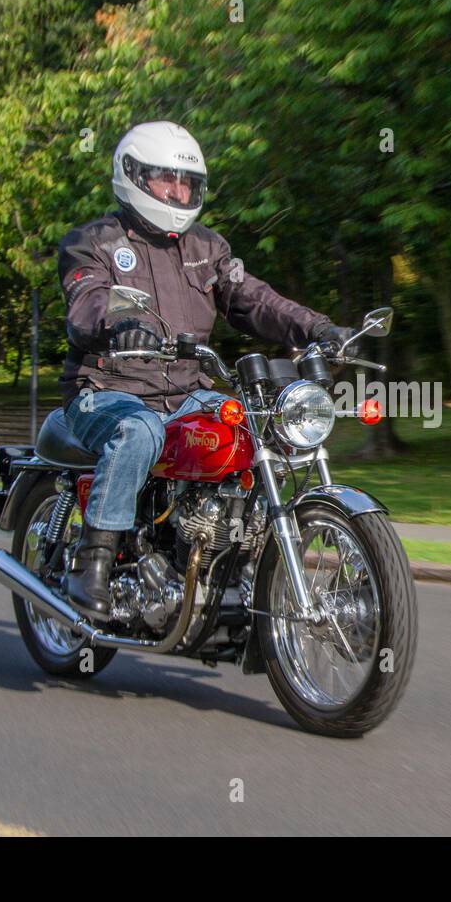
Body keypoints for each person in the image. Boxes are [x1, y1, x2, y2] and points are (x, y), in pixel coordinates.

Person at [55, 120, 354, 616]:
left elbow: (253, 298)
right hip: (105, 389)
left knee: (259, 428)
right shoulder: (92, 242)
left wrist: (318, 328)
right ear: (132, 176)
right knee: (137, 431)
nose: (177, 191)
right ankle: (94, 564)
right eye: (164, 179)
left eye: (186, 182)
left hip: (186, 392)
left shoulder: (207, 249)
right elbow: (86, 301)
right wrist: (117, 323)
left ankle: (235, 560)